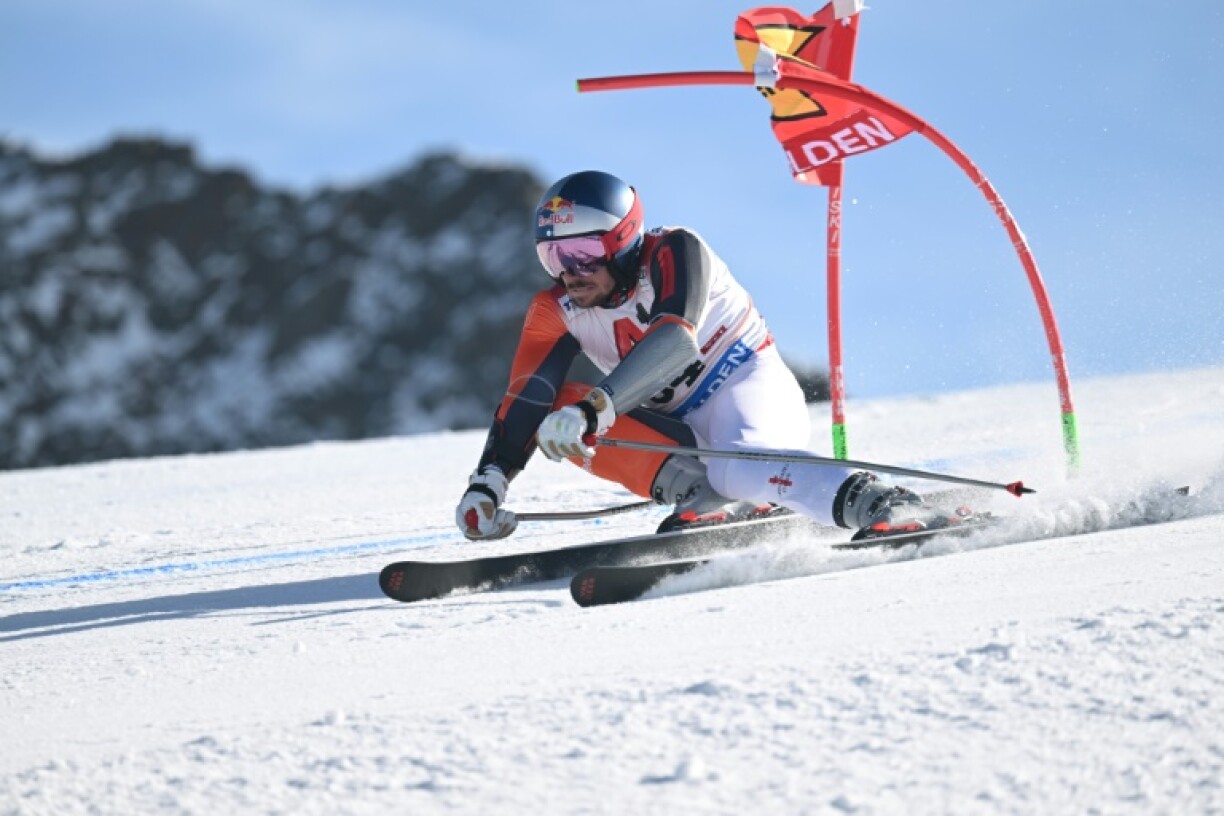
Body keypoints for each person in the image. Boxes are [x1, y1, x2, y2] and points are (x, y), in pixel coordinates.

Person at [455, 170, 963, 541]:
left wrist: (591, 411)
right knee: (560, 406)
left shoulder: (675, 251)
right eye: (554, 256)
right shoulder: (557, 308)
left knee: (735, 465)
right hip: (680, 427)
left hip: (746, 384)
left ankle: (880, 502)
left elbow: (675, 341)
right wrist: (489, 483)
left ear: (623, 241)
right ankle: (704, 497)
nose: (570, 271)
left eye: (583, 253)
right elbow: (527, 394)